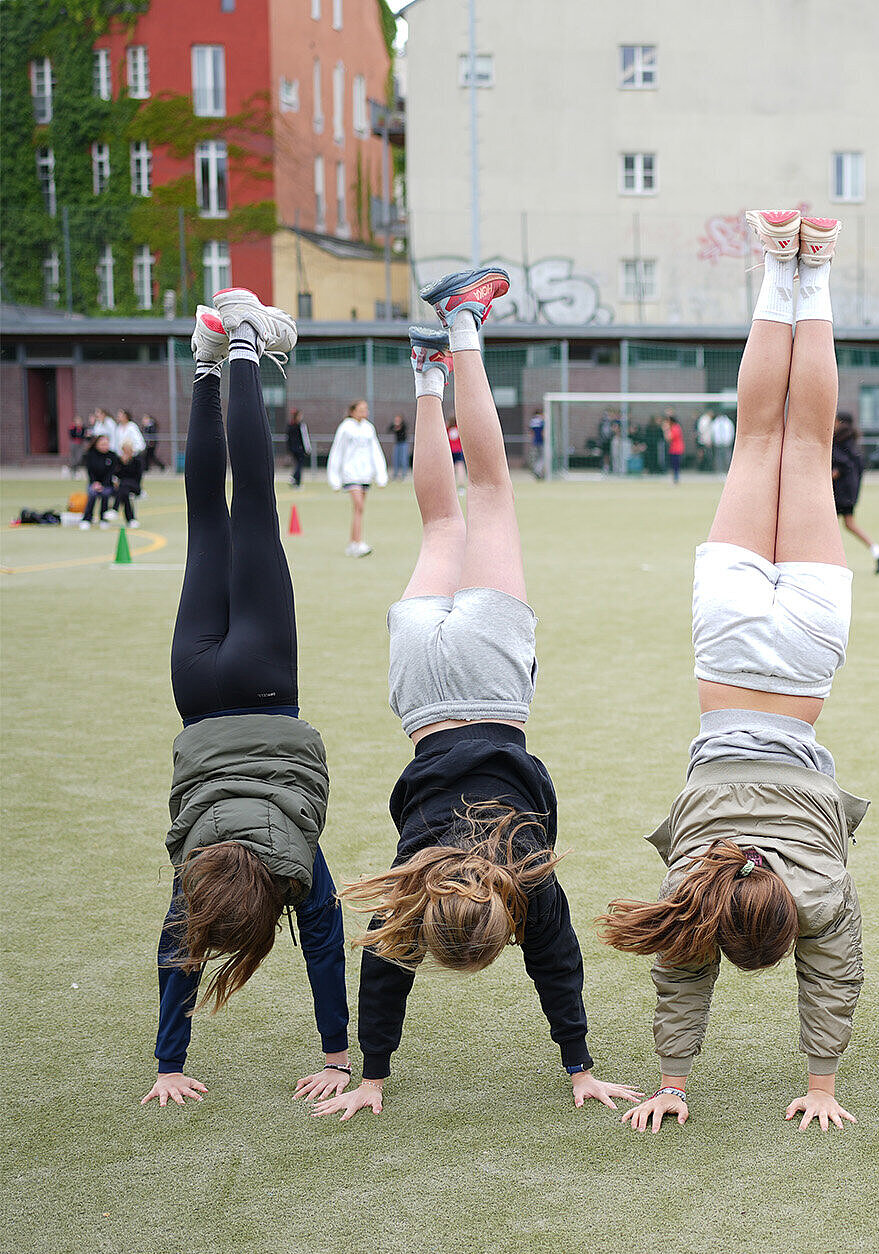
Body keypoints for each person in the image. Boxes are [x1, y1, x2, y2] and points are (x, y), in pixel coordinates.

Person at [315, 269, 639, 1123]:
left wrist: (583, 1066)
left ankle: (463, 325)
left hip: (492, 686)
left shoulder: (526, 871)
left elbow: (558, 964)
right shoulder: (410, 884)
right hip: (421, 690)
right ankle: (428, 371)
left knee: (489, 495)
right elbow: (382, 974)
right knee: (440, 524)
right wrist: (370, 1076)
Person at [599, 210, 869, 1134]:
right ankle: (775, 259)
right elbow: (679, 976)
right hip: (726, 647)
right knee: (761, 440)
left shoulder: (817, 895)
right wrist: (669, 1084)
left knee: (804, 446)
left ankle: (813, 264)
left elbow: (835, 974)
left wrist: (823, 1085)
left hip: (805, 660)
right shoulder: (692, 889)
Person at [142, 290, 348, 1108]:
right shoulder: (193, 865)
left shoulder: (294, 864)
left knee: (251, 510)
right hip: (196, 689)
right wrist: (165, 1064)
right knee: (208, 521)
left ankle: (244, 344)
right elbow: (177, 949)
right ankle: (206, 360)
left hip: (265, 683)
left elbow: (324, 940)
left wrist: (339, 1055)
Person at [326, 399, 387, 558]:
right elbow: (337, 452)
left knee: (359, 510)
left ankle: (353, 543)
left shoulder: (369, 428)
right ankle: (358, 543)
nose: (364, 412)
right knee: (359, 506)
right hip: (351, 474)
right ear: (353, 411)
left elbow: (376, 451)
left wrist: (381, 475)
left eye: (365, 409)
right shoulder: (345, 428)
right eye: (361, 409)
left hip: (365, 474)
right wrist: (334, 478)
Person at [832, 411, 879, 573]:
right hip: (849, 493)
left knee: (826, 526)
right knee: (849, 524)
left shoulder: (840, 442)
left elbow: (839, 468)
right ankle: (878, 552)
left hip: (840, 493)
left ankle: (829, 561)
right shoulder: (851, 443)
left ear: (840, 423)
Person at [79, 432, 117, 528]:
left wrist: (103, 485)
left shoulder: (112, 456)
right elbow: (90, 471)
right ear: (97, 444)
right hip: (94, 483)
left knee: (105, 494)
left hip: (107, 484)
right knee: (92, 493)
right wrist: (95, 483)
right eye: (102, 444)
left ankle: (103, 519)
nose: (105, 446)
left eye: (106, 444)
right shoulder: (91, 455)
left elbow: (111, 473)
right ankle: (87, 518)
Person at [113, 439, 145, 527]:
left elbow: (137, 477)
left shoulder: (137, 461)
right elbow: (116, 475)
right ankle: (131, 519)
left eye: (129, 449)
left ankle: (115, 508)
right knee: (125, 493)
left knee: (124, 484)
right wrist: (122, 463)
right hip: (123, 488)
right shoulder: (118, 461)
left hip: (135, 486)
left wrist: (127, 464)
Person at [286, 409, 312, 489]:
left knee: (297, 464)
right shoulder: (301, 425)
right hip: (300, 449)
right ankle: (295, 479)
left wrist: (289, 449)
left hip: (293, 449)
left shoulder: (290, 426)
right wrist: (308, 449)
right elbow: (305, 437)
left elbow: (288, 439)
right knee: (300, 465)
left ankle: (296, 482)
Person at [710, 408, 735, 473]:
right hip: (718, 442)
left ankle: (727, 469)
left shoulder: (728, 422)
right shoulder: (715, 422)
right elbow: (712, 433)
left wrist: (730, 440)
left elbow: (731, 432)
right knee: (718, 457)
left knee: (727, 456)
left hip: (726, 442)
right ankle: (719, 470)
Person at [390, 412, 411, 479]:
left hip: (403, 443)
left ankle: (404, 474)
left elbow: (405, 429)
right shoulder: (394, 425)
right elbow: (389, 429)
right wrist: (394, 426)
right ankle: (395, 474)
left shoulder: (403, 425)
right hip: (397, 443)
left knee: (403, 459)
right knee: (396, 459)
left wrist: (399, 426)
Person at [665, 413, 685, 484]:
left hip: (676, 449)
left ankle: (676, 479)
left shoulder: (674, 428)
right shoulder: (676, 427)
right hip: (675, 448)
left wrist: (666, 430)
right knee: (675, 464)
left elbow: (669, 438)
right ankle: (675, 478)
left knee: (675, 464)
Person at [527, 409, 546, 480]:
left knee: (536, 457)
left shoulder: (532, 421)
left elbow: (531, 433)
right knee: (542, 457)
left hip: (534, 442)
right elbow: (543, 432)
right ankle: (537, 470)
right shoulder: (542, 421)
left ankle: (536, 470)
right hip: (541, 442)